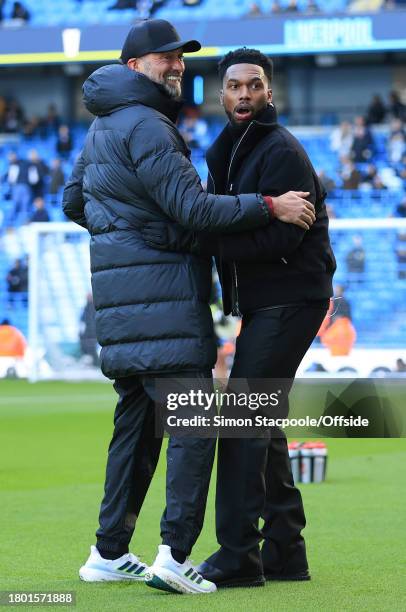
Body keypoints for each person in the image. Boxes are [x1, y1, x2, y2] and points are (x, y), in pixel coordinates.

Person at [62, 20, 314, 595]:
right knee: (197, 423)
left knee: (135, 430)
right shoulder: (149, 127)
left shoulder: (102, 125)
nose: (176, 66)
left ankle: (107, 551)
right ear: (133, 68)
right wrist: (268, 205)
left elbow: (75, 201)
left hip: (122, 308)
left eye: (178, 58)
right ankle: (175, 555)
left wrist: (126, 237)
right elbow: (193, 211)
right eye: (164, 58)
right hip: (166, 303)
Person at [142, 47, 335, 588]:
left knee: (243, 420)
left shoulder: (282, 151)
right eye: (234, 86)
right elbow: (239, 225)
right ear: (221, 93)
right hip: (266, 303)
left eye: (254, 85)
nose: (244, 94)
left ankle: (236, 554)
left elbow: (283, 235)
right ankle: (285, 551)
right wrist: (219, 232)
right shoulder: (225, 151)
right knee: (262, 423)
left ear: (269, 92)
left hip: (290, 300)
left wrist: (211, 238)